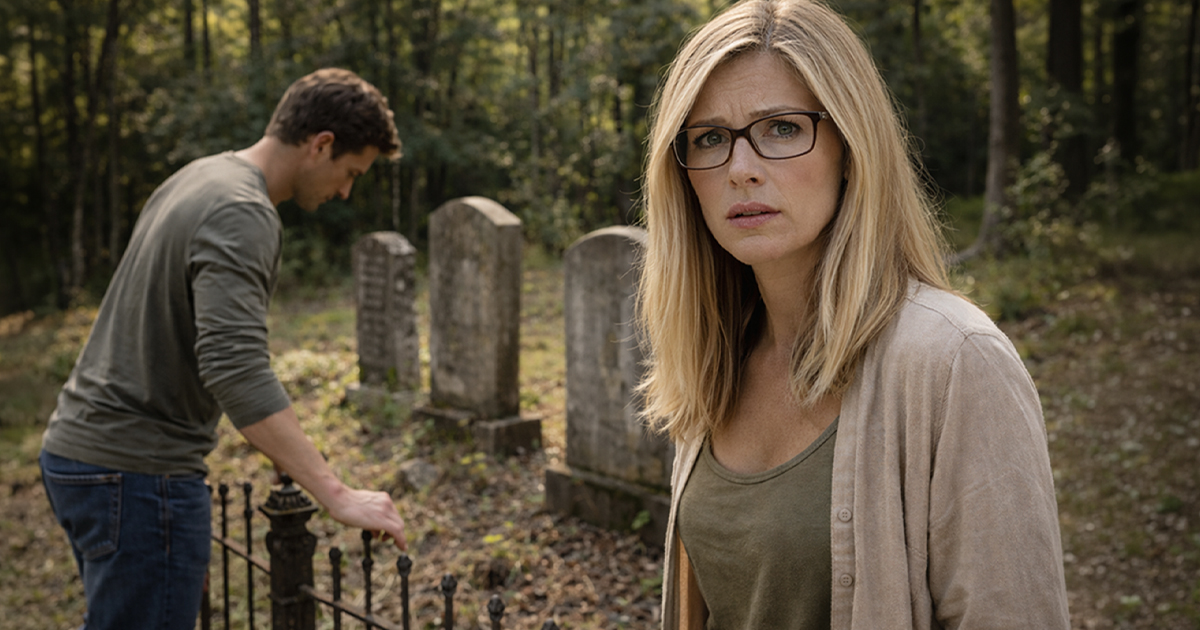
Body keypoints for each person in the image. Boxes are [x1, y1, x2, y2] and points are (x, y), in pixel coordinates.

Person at [635, 1, 1070, 628]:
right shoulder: (713, 358)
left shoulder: (956, 363)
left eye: (782, 127)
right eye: (709, 139)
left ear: (851, 145)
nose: (741, 169)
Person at [39, 68, 408, 630]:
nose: (345, 192)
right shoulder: (243, 211)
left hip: (84, 456)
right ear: (321, 145)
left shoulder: (201, 175)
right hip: (137, 474)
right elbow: (233, 367)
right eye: (349, 173)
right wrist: (337, 494)